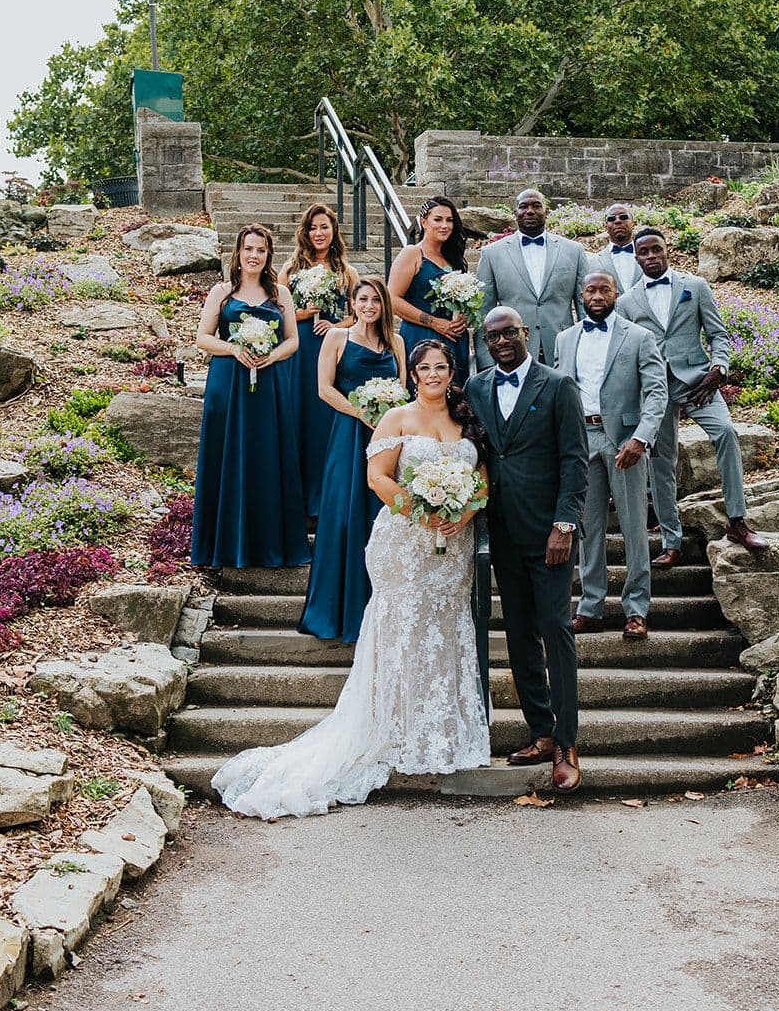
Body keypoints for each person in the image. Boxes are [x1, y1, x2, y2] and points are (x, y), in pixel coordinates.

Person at [212, 338, 491, 819]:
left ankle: (442, 732)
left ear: (451, 372)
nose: (432, 375)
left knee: (444, 632)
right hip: (405, 543)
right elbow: (378, 478)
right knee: (400, 630)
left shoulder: (465, 420)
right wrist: (422, 511)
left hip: (453, 548)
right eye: (424, 368)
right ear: (413, 374)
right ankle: (392, 729)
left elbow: (482, 479)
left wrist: (464, 513)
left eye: (441, 367)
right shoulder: (397, 418)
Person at [466, 307, 588, 793]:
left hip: (549, 534)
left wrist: (565, 524)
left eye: (508, 334)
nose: (500, 343)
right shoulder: (476, 388)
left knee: (555, 630)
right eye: (492, 336)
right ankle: (539, 729)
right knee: (517, 634)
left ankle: (567, 743)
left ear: (527, 334)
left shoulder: (557, 385)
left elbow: (575, 460)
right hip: (501, 533)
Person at [616, 227, 769, 567]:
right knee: (661, 461)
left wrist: (719, 367)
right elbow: (625, 354)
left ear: (666, 251)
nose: (651, 256)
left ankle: (737, 521)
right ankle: (671, 541)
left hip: (699, 381)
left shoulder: (695, 287)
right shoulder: (626, 303)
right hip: (654, 390)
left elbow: (718, 333)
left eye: (656, 249)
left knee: (726, 433)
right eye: (644, 252)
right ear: (636, 257)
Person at [554, 271, 668, 641]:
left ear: (616, 294)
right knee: (588, 529)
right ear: (581, 294)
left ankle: (636, 610)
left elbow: (656, 393)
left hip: (624, 441)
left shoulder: (639, 338)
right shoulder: (565, 339)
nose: (598, 295)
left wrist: (641, 439)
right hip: (580, 439)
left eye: (605, 289)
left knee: (635, 527)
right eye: (591, 289)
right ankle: (591, 606)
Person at [190, 224, 308, 570]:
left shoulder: (280, 294)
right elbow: (203, 338)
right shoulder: (222, 292)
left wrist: (271, 355)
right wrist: (234, 348)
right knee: (227, 456)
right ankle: (224, 546)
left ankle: (270, 544)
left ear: (268, 254)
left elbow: (293, 341)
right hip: (228, 382)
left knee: (267, 457)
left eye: (261, 250)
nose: (254, 256)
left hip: (268, 383)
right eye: (248, 249)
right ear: (238, 254)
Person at [298, 277, 407, 644]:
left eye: (376, 300)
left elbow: (405, 390)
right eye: (363, 299)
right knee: (345, 516)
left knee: (383, 516)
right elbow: (323, 388)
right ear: (352, 302)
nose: (369, 306)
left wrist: (390, 416)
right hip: (350, 434)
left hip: (390, 438)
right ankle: (340, 609)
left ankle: (385, 610)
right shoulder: (336, 339)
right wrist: (360, 413)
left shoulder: (397, 342)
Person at [277, 203, 359, 516]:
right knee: (299, 419)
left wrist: (334, 325)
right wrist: (303, 313)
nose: (319, 233)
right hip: (300, 352)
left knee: (325, 421)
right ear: (305, 232)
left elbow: (359, 316)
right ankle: (297, 503)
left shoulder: (346, 272)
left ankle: (325, 501)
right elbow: (277, 313)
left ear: (333, 231)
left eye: (324, 227)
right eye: (313, 228)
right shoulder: (291, 269)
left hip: (332, 352)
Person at [474, 189, 590, 369]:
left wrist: (588, 350)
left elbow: (585, 306)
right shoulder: (492, 254)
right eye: (523, 206)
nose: (530, 211)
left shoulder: (573, 251)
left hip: (564, 349)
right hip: (512, 349)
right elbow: (483, 311)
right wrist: (487, 364)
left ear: (547, 212)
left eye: (536, 206)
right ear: (515, 213)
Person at [388, 195, 471, 386]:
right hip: (421, 335)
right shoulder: (412, 253)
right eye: (438, 219)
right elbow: (392, 299)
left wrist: (465, 317)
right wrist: (434, 323)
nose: (445, 225)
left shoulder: (454, 258)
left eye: (449, 220)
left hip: (454, 338)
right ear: (424, 222)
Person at [594, 203, 644, 295]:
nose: (617, 221)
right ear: (606, 227)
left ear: (634, 223)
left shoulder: (648, 258)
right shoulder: (593, 262)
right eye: (611, 219)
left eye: (623, 217)